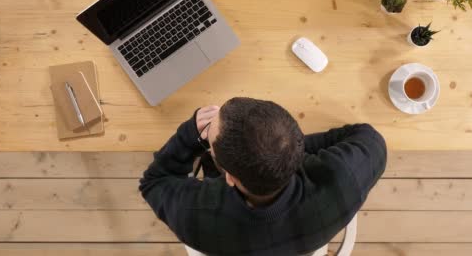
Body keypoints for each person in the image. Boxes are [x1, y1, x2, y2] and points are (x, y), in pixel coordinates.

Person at [139, 97, 386, 256]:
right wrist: (283, 150)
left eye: (210, 142)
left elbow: (152, 182)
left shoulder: (195, 217)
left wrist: (189, 135)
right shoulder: (344, 179)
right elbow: (369, 137)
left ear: (230, 178)